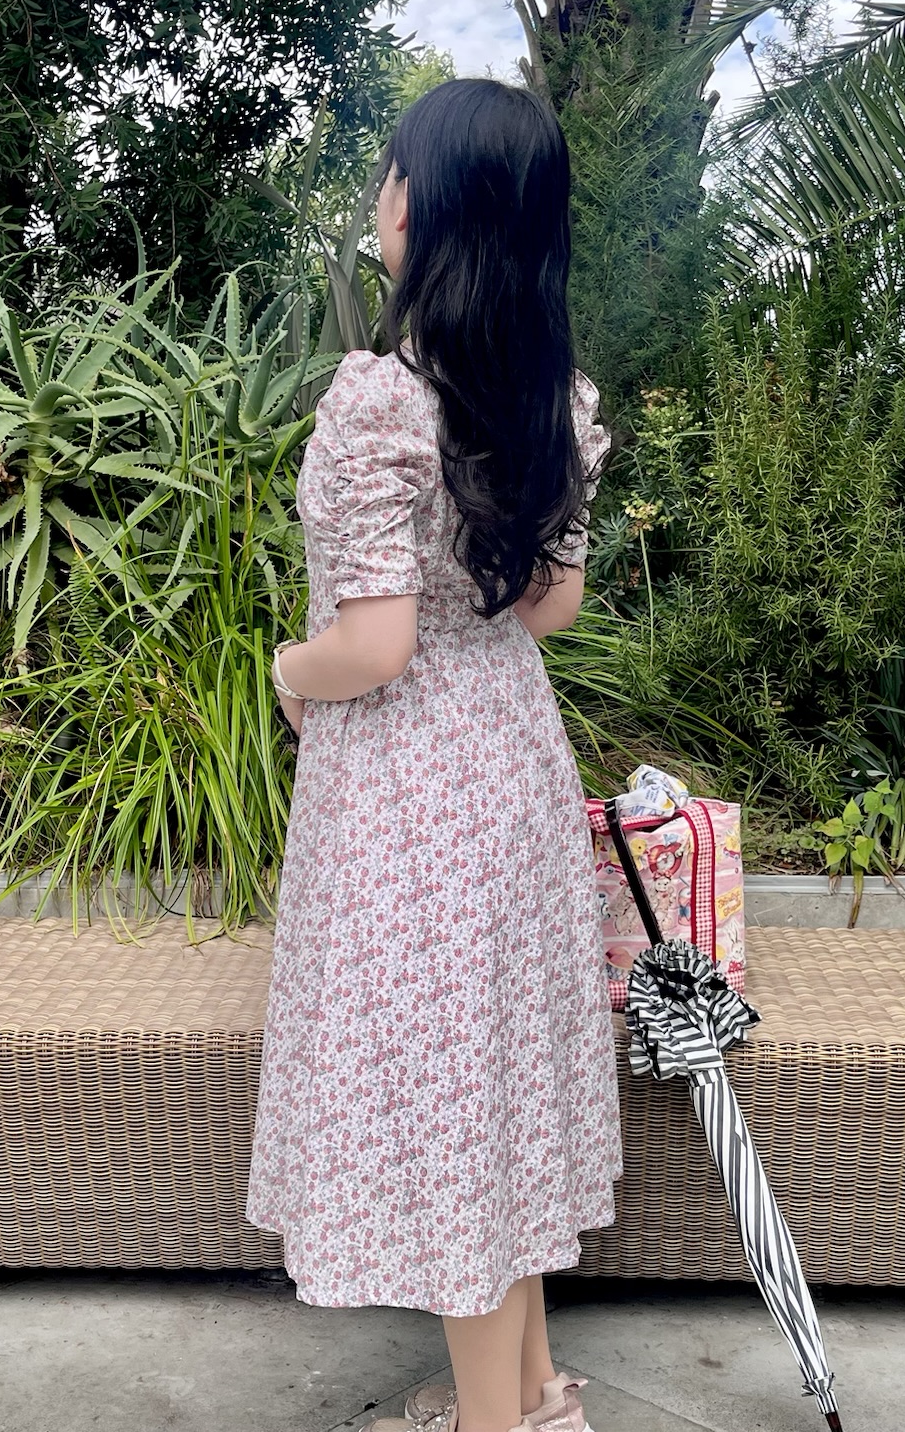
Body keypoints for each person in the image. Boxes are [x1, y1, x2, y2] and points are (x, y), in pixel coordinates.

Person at [246, 79, 622, 1432]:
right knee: (503, 1088)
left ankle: (490, 1427)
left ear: (423, 209)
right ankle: (533, 1392)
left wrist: (287, 672)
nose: (382, 198)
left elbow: (376, 645)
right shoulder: (556, 398)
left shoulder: (380, 401)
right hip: (512, 765)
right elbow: (550, 608)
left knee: (459, 1106)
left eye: (394, 175)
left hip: (410, 788)